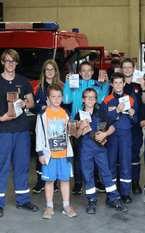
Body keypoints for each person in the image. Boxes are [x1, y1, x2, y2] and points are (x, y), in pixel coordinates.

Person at [0, 49, 39, 218]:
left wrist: (24, 104)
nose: (10, 64)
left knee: (22, 167)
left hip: (21, 130)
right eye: (7, 61)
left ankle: (23, 200)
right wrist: (0, 118)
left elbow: (32, 103)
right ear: (2, 62)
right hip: (4, 132)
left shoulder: (23, 81)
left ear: (17, 63)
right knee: (2, 168)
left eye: (13, 62)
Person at [74, 88, 128, 213]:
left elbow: (112, 128)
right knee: (87, 175)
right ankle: (91, 200)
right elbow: (75, 135)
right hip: (85, 150)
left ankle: (113, 199)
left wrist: (104, 135)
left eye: (93, 97)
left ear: (96, 100)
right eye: (88, 97)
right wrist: (81, 128)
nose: (90, 99)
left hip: (99, 149)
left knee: (106, 173)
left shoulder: (101, 113)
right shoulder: (78, 115)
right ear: (83, 99)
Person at [63, 61, 110, 194]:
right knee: (78, 155)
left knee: (95, 152)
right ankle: (78, 183)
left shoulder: (97, 83)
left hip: (94, 124)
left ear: (93, 72)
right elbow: (66, 100)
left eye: (89, 70)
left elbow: (101, 100)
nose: (86, 73)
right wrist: (67, 83)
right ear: (79, 72)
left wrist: (105, 84)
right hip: (77, 124)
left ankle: (96, 181)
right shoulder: (74, 83)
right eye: (83, 70)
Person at [35, 84, 77, 219]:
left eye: (59, 96)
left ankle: (66, 205)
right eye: (53, 96)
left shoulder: (66, 113)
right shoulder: (42, 115)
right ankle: (49, 206)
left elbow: (71, 133)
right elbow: (39, 134)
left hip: (64, 154)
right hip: (50, 156)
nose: (57, 99)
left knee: (65, 180)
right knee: (49, 181)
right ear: (48, 98)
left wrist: (79, 127)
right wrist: (40, 153)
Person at [101, 72, 138, 204]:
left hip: (126, 134)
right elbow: (103, 120)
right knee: (110, 164)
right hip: (111, 135)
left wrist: (133, 115)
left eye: (120, 83)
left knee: (125, 163)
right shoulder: (106, 100)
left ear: (123, 83)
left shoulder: (131, 99)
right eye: (115, 83)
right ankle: (111, 193)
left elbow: (136, 121)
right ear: (111, 84)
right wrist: (116, 110)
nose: (118, 85)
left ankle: (125, 193)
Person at [32, 59, 62, 194]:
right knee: (41, 150)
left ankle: (54, 182)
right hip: (43, 123)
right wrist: (42, 107)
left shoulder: (62, 86)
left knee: (55, 151)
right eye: (47, 70)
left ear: (56, 71)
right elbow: (33, 106)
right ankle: (40, 182)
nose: (50, 72)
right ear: (44, 72)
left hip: (57, 124)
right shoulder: (39, 87)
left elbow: (66, 103)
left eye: (52, 69)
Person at [121, 58, 145, 194]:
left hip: (136, 125)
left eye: (129, 67)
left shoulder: (139, 84)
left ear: (134, 69)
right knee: (120, 155)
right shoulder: (118, 84)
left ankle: (135, 182)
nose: (127, 70)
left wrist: (144, 87)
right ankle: (122, 182)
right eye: (124, 67)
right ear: (121, 70)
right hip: (120, 123)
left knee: (134, 154)